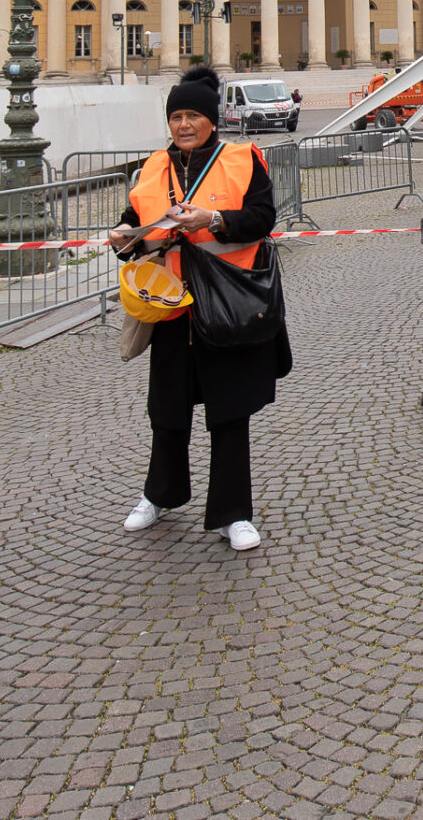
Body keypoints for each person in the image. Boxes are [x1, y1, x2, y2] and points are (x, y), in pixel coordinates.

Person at [111, 64, 290, 551]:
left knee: (229, 412)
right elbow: (135, 220)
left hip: (228, 303)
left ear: (212, 120)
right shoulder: (154, 166)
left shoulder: (241, 159)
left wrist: (214, 219)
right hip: (171, 306)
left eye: (193, 116)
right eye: (176, 117)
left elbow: (262, 218)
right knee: (167, 410)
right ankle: (159, 495)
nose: (184, 124)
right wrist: (123, 236)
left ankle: (234, 513)